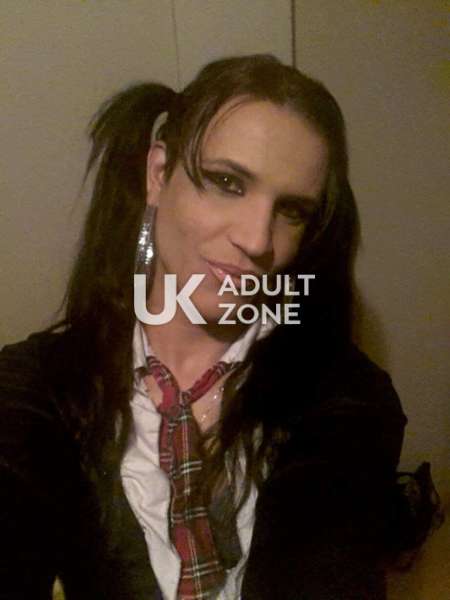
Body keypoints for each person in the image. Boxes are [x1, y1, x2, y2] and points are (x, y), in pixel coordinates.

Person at [0, 54, 440, 600]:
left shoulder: (345, 397)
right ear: (158, 174)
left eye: (292, 210)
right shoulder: (36, 385)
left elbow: (325, 553)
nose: (257, 239)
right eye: (228, 182)